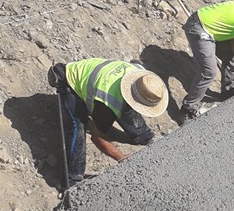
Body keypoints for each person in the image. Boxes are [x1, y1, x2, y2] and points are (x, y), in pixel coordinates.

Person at [47, 58, 168, 188]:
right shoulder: (107, 103)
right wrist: (122, 158)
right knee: (76, 128)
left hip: (98, 77)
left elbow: (134, 63)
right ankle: (72, 180)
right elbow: (98, 138)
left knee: (126, 108)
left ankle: (143, 136)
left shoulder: (141, 77)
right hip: (68, 80)